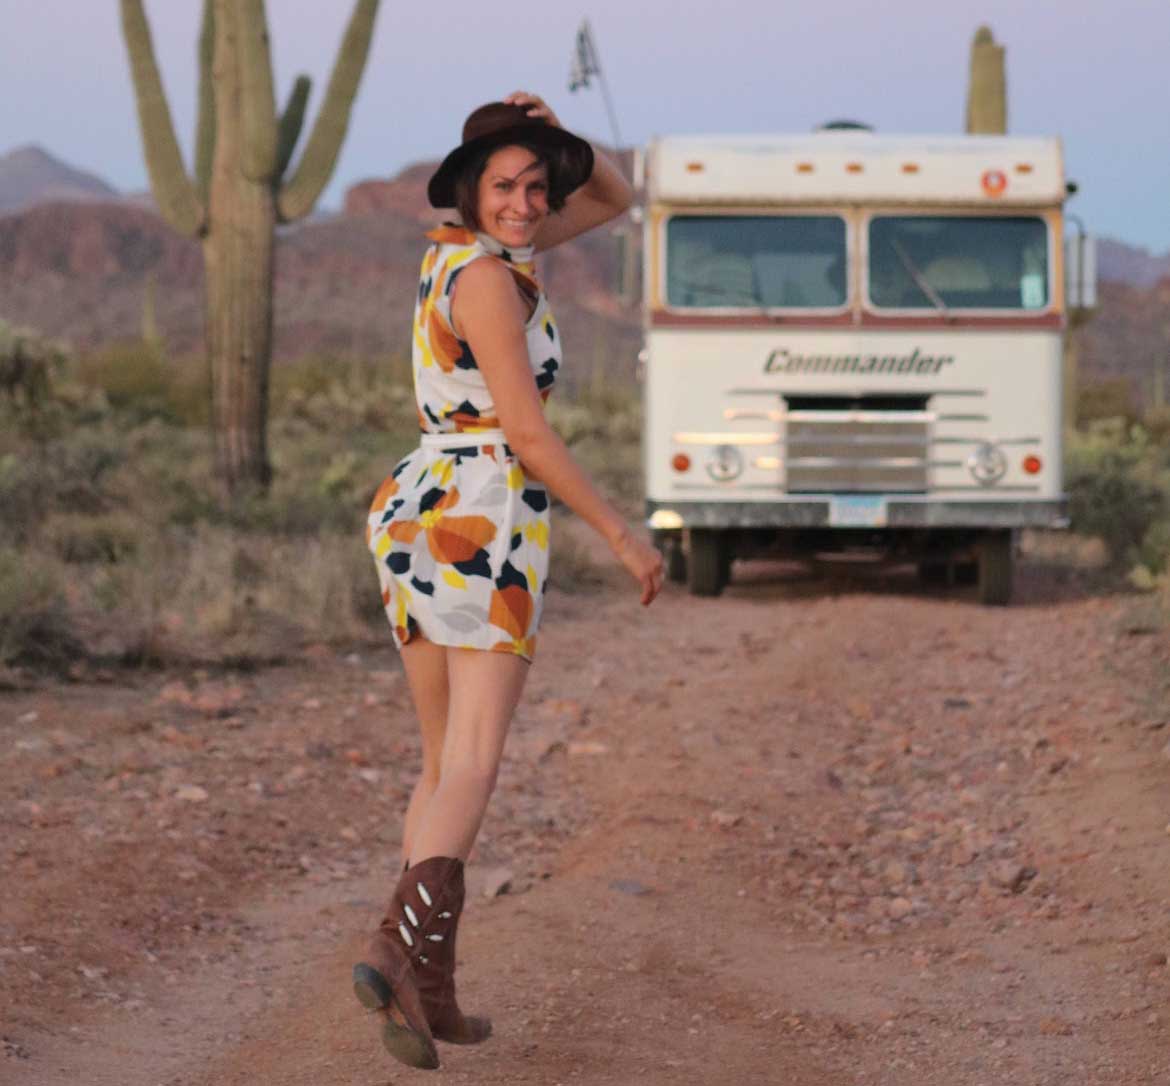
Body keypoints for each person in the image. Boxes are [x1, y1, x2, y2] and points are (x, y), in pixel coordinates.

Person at [352, 92, 665, 1070]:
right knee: (477, 759)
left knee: (443, 762)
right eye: (507, 185)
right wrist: (621, 533)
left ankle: (428, 987)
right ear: (470, 190)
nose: (528, 201)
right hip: (483, 511)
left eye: (538, 185)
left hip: (424, 507)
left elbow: (614, 196)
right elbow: (527, 433)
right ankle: (394, 954)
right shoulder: (489, 282)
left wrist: (552, 120)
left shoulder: (471, 258)